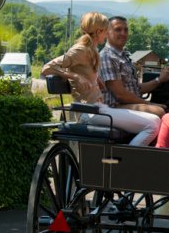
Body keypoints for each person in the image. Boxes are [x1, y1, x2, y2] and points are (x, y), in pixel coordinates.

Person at [40, 12, 160, 146]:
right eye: (106, 30)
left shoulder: (92, 50)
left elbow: (84, 70)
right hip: (89, 112)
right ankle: (127, 160)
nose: (107, 33)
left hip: (98, 108)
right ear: (99, 31)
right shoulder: (80, 50)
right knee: (152, 125)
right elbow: (47, 68)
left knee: (155, 120)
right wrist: (74, 76)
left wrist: (95, 79)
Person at [99, 16, 169, 118]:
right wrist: (149, 104)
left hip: (127, 105)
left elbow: (136, 89)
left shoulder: (124, 56)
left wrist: (159, 80)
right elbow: (120, 94)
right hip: (114, 108)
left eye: (126, 30)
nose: (123, 33)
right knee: (159, 112)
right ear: (107, 33)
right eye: (118, 29)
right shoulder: (107, 56)